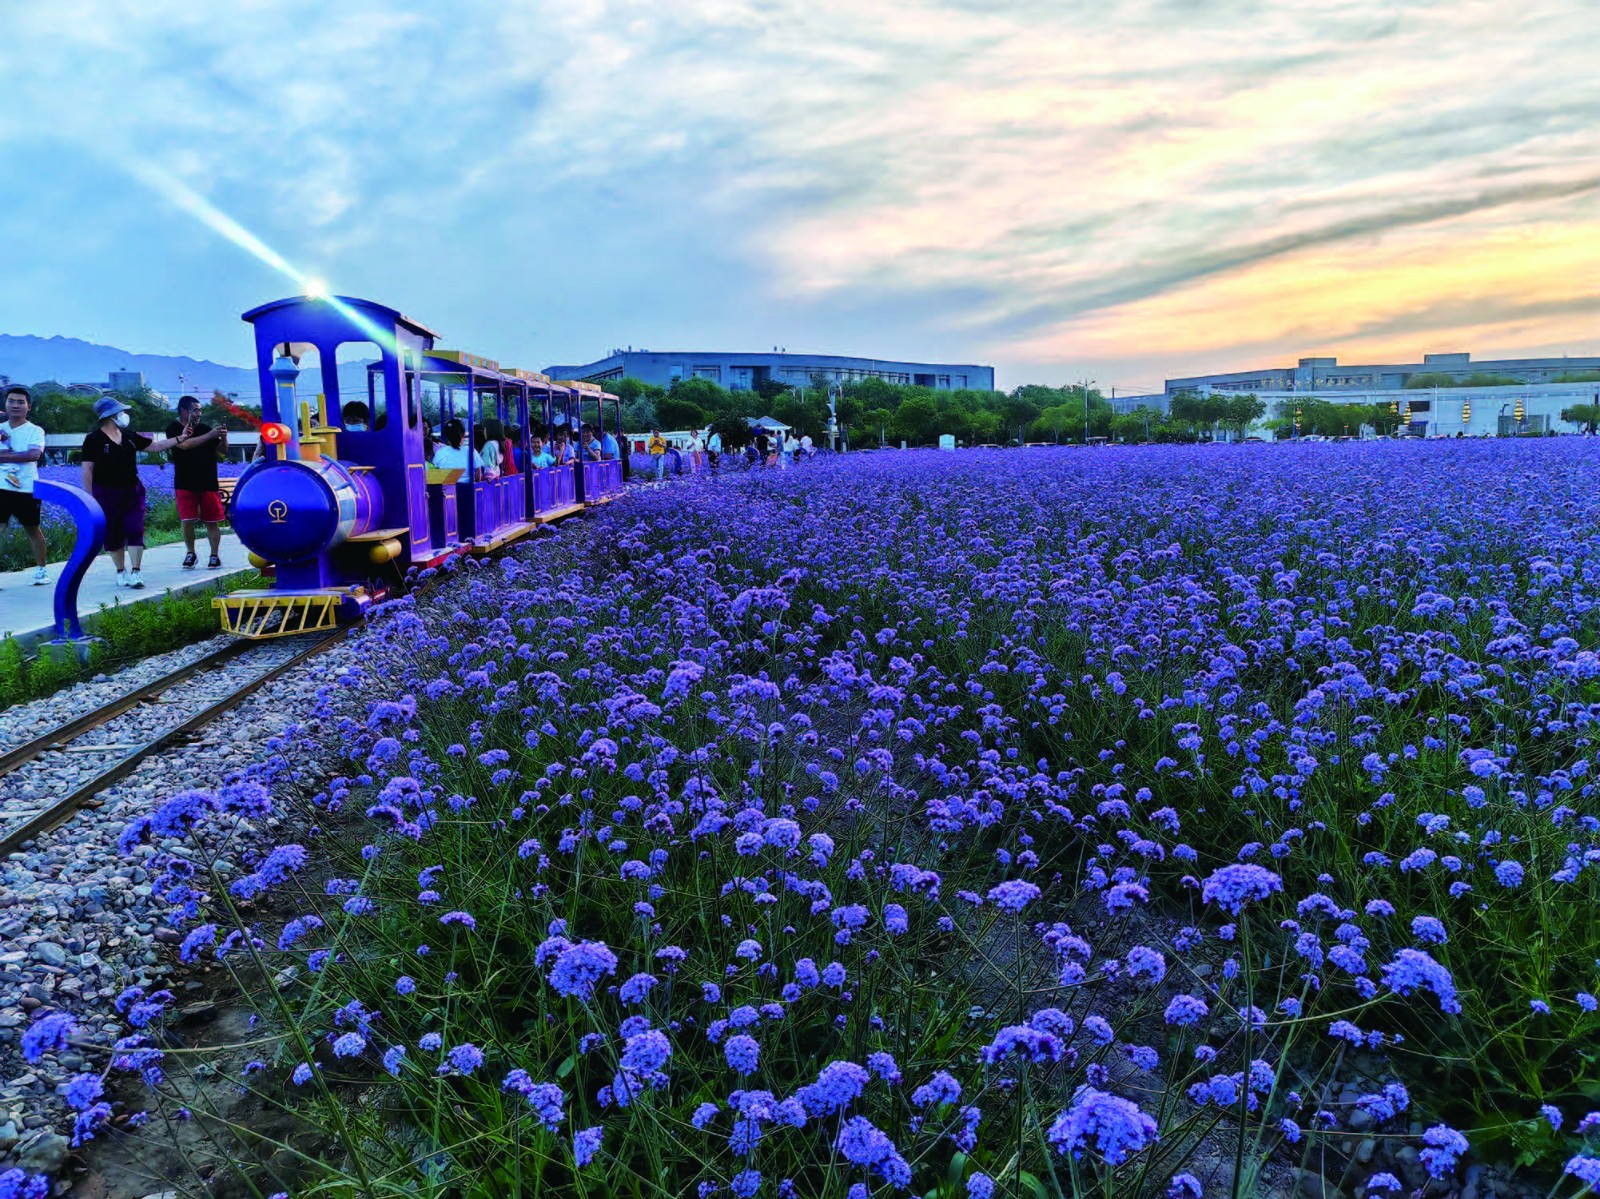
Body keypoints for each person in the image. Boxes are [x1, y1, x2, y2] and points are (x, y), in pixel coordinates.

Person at [80, 396, 184, 589]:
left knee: (135, 528)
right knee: (113, 533)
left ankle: (136, 571)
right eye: (120, 412)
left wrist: (180, 438)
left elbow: (154, 446)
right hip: (106, 492)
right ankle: (121, 571)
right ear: (110, 416)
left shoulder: (128, 435)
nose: (124, 415)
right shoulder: (93, 439)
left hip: (133, 490)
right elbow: (87, 469)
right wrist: (89, 496)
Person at [165, 394, 229, 570]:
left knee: (212, 520)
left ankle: (214, 555)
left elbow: (222, 453)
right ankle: (190, 553)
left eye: (200, 410)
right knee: (187, 520)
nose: (199, 413)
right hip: (184, 481)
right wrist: (210, 435)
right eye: (195, 410)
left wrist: (223, 437)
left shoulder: (206, 428)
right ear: (184, 411)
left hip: (208, 481)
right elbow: (184, 445)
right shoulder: (173, 428)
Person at [0, 384, 48, 585]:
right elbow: (25, 455)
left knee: (33, 529)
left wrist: (3, 457)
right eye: (12, 401)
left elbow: (33, 455)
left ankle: (41, 570)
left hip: (26, 488)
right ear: (5, 404)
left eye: (21, 402)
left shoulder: (35, 430)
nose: (15, 405)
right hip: (1, 488)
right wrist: (16, 456)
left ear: (29, 407)